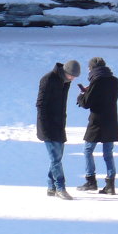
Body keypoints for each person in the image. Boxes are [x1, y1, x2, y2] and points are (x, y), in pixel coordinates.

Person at [76, 56, 118, 194]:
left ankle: (91, 181)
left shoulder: (96, 81)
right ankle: (110, 184)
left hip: (97, 122)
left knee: (88, 150)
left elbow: (86, 103)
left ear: (91, 68)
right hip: (112, 121)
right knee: (108, 154)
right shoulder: (115, 81)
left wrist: (81, 94)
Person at [36, 60, 80, 200]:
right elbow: (41, 105)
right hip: (47, 126)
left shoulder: (65, 81)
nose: (73, 78)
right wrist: (44, 126)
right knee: (55, 158)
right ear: (65, 71)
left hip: (59, 125)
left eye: (75, 76)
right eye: (71, 75)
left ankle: (51, 187)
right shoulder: (48, 80)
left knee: (57, 157)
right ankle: (61, 187)